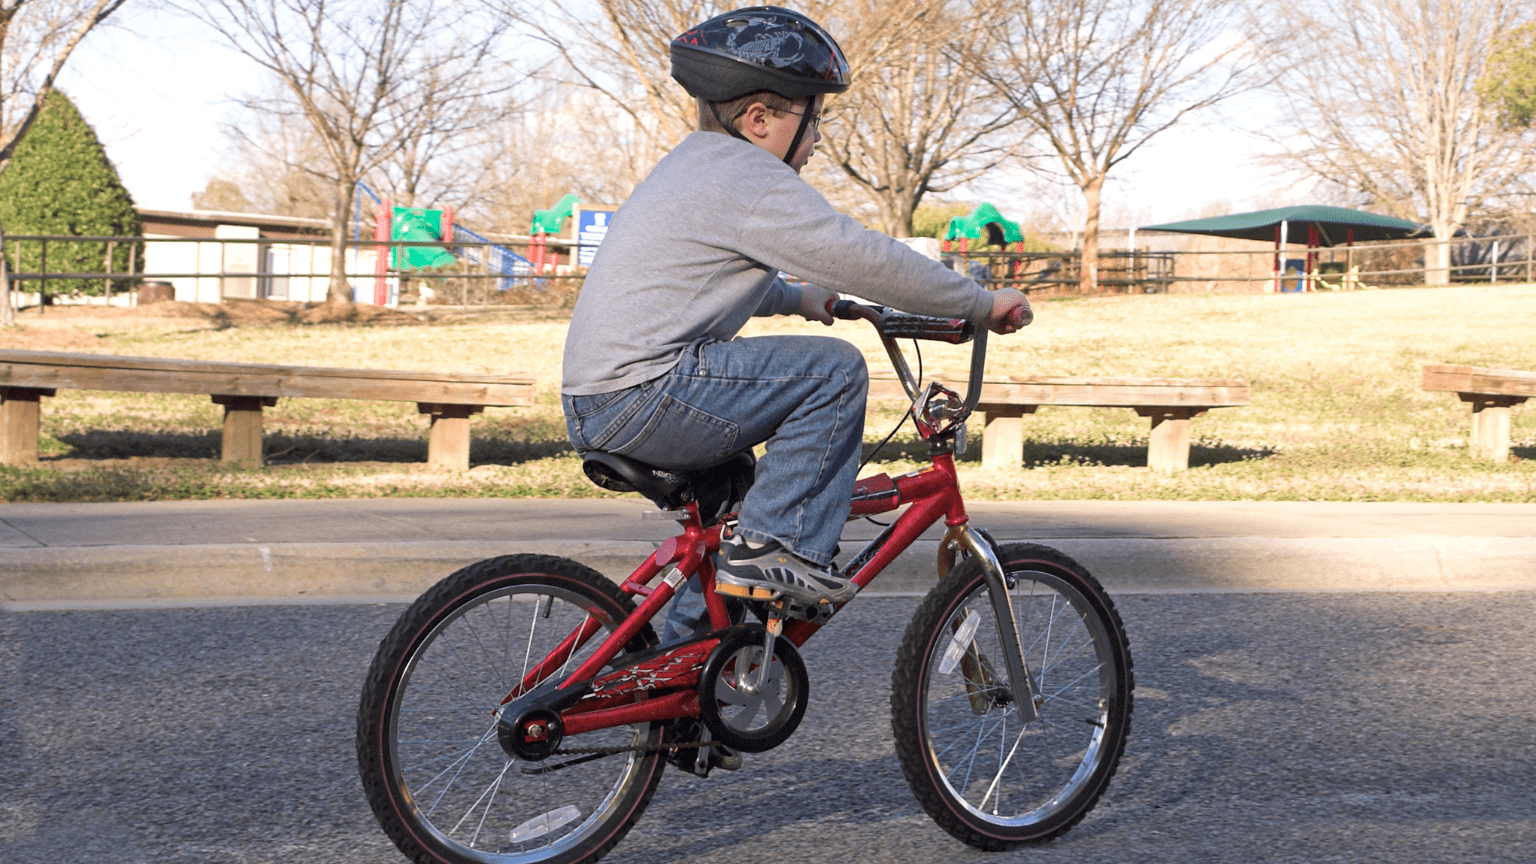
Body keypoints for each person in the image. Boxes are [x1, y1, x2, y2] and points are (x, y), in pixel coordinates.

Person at [561, 6, 1030, 638]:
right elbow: (864, 256)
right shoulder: (748, 176)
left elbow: (702, 282)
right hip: (646, 394)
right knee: (831, 372)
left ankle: (676, 700)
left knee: (734, 531)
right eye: (813, 123)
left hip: (603, 396)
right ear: (760, 121)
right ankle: (784, 559)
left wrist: (800, 299)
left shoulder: (693, 166)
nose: (815, 145)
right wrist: (977, 302)